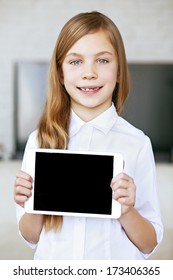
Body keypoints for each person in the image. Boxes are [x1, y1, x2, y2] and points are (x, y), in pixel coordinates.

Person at [14, 11, 163, 260]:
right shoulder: (40, 140)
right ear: (60, 74)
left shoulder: (137, 143)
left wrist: (127, 210)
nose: (89, 73)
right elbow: (31, 235)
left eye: (102, 61)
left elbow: (148, 243)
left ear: (119, 71)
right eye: (75, 61)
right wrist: (31, 202)